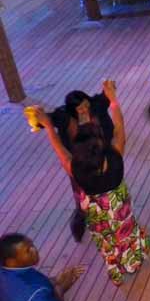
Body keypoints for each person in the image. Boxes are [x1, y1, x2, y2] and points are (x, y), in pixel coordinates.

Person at [38, 81, 150, 285]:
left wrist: (48, 127)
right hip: (117, 202)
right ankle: (132, 261)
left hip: (94, 209)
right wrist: (114, 100)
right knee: (125, 228)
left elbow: (61, 152)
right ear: (100, 143)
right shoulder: (114, 156)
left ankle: (115, 270)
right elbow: (119, 128)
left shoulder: (76, 169)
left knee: (104, 238)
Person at [50, 89, 115, 243]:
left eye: (86, 105)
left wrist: (109, 88)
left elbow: (107, 96)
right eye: (80, 109)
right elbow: (45, 119)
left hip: (102, 160)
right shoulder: (64, 117)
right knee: (83, 203)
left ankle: (111, 225)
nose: (85, 109)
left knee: (109, 195)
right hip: (80, 167)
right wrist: (37, 119)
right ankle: (78, 230)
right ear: (72, 111)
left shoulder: (97, 105)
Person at [0, 234, 85, 301]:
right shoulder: (37, 297)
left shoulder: (9, 269)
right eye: (28, 250)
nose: (35, 250)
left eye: (32, 244)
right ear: (11, 261)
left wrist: (55, 280)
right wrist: (62, 288)